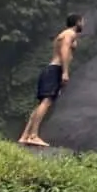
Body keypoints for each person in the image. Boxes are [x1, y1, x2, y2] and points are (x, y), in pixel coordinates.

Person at [18, 13, 84, 147]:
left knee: (43, 103)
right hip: (56, 69)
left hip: (52, 69)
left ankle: (25, 135)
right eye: (82, 22)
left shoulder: (65, 34)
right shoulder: (69, 34)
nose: (84, 24)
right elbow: (64, 50)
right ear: (77, 22)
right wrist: (65, 72)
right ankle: (33, 135)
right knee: (46, 102)